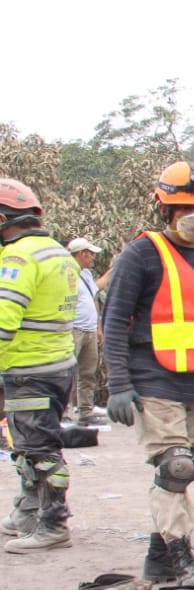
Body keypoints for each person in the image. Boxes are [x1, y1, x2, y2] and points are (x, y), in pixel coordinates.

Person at [103, 161, 194, 588]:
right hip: (155, 375)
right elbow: (115, 321)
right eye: (183, 206)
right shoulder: (141, 254)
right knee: (177, 466)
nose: (193, 215)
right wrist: (119, 385)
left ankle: (158, 557)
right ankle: (180, 559)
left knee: (188, 469)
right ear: (164, 209)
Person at [0, 179, 80, 553]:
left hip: (28, 365)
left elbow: (4, 318)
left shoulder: (18, 258)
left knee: (39, 448)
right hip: (57, 363)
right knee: (27, 443)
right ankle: (29, 510)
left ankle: (53, 523)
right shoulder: (57, 252)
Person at [68, 237, 107, 427]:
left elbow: (92, 298)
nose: (93, 258)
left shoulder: (86, 275)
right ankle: (63, 412)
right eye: (90, 254)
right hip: (73, 329)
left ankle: (85, 411)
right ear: (81, 254)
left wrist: (98, 327)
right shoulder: (67, 273)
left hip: (90, 330)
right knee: (66, 373)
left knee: (87, 373)